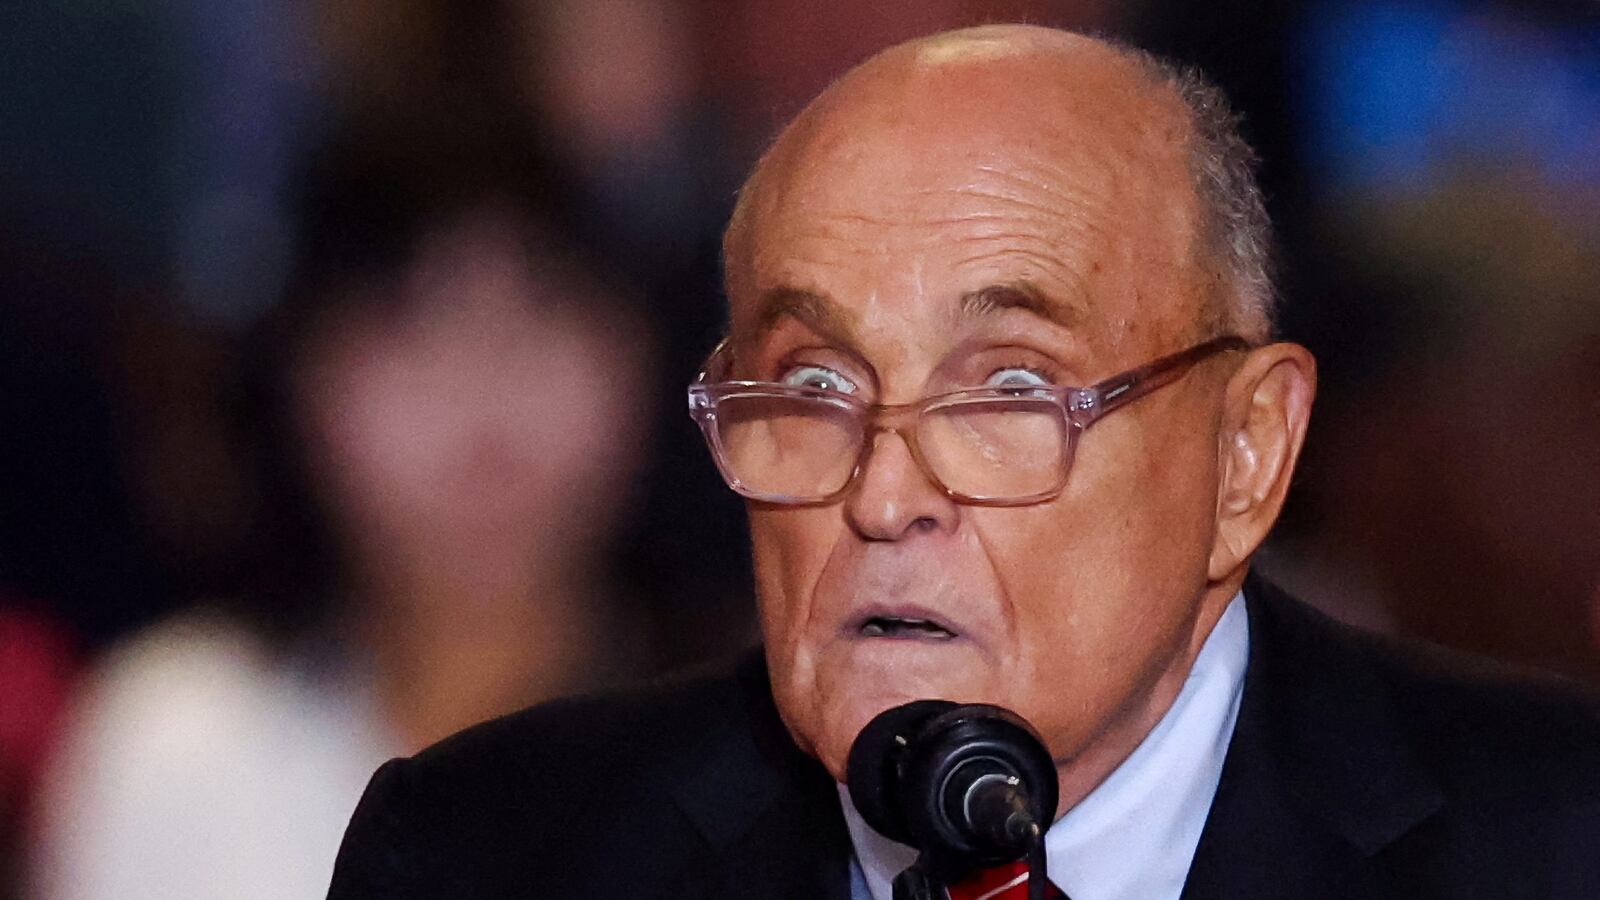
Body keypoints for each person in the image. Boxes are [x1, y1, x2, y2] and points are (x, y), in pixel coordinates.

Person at [326, 25, 1600, 900]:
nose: (882, 498)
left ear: (1246, 455)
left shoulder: (1555, 845)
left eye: (1005, 390)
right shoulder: (489, 856)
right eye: (815, 386)